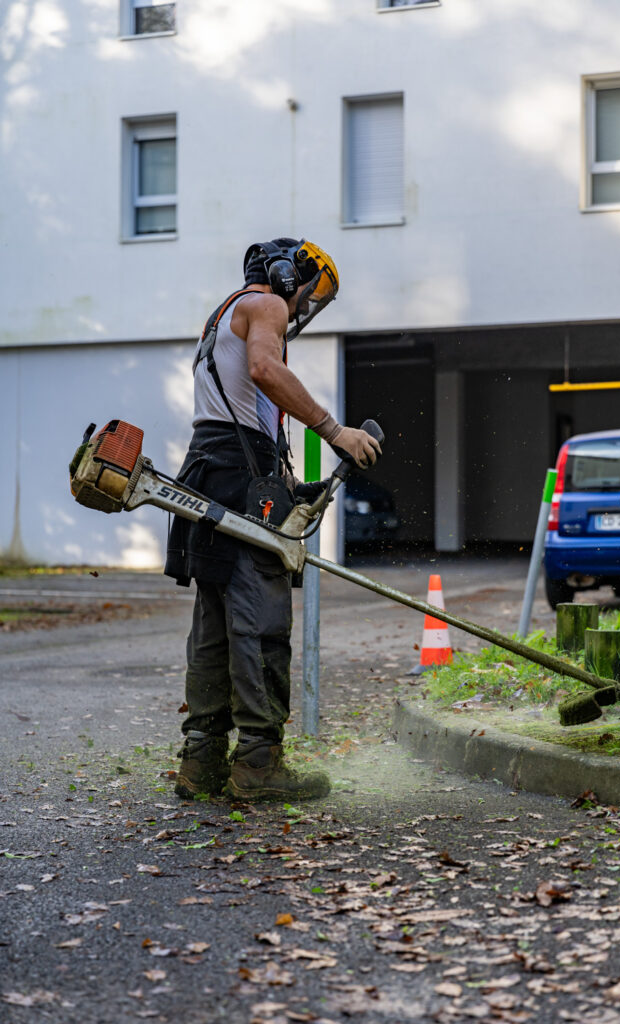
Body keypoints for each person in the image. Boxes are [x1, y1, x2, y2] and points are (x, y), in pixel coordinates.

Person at [165, 237, 380, 803]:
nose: (307, 305)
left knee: (213, 622)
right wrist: (336, 432)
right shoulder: (266, 305)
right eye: (312, 290)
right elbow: (263, 368)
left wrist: (291, 488)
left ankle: (202, 761)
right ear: (290, 275)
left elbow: (238, 416)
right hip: (237, 472)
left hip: (212, 469)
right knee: (260, 614)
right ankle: (259, 762)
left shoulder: (222, 315)